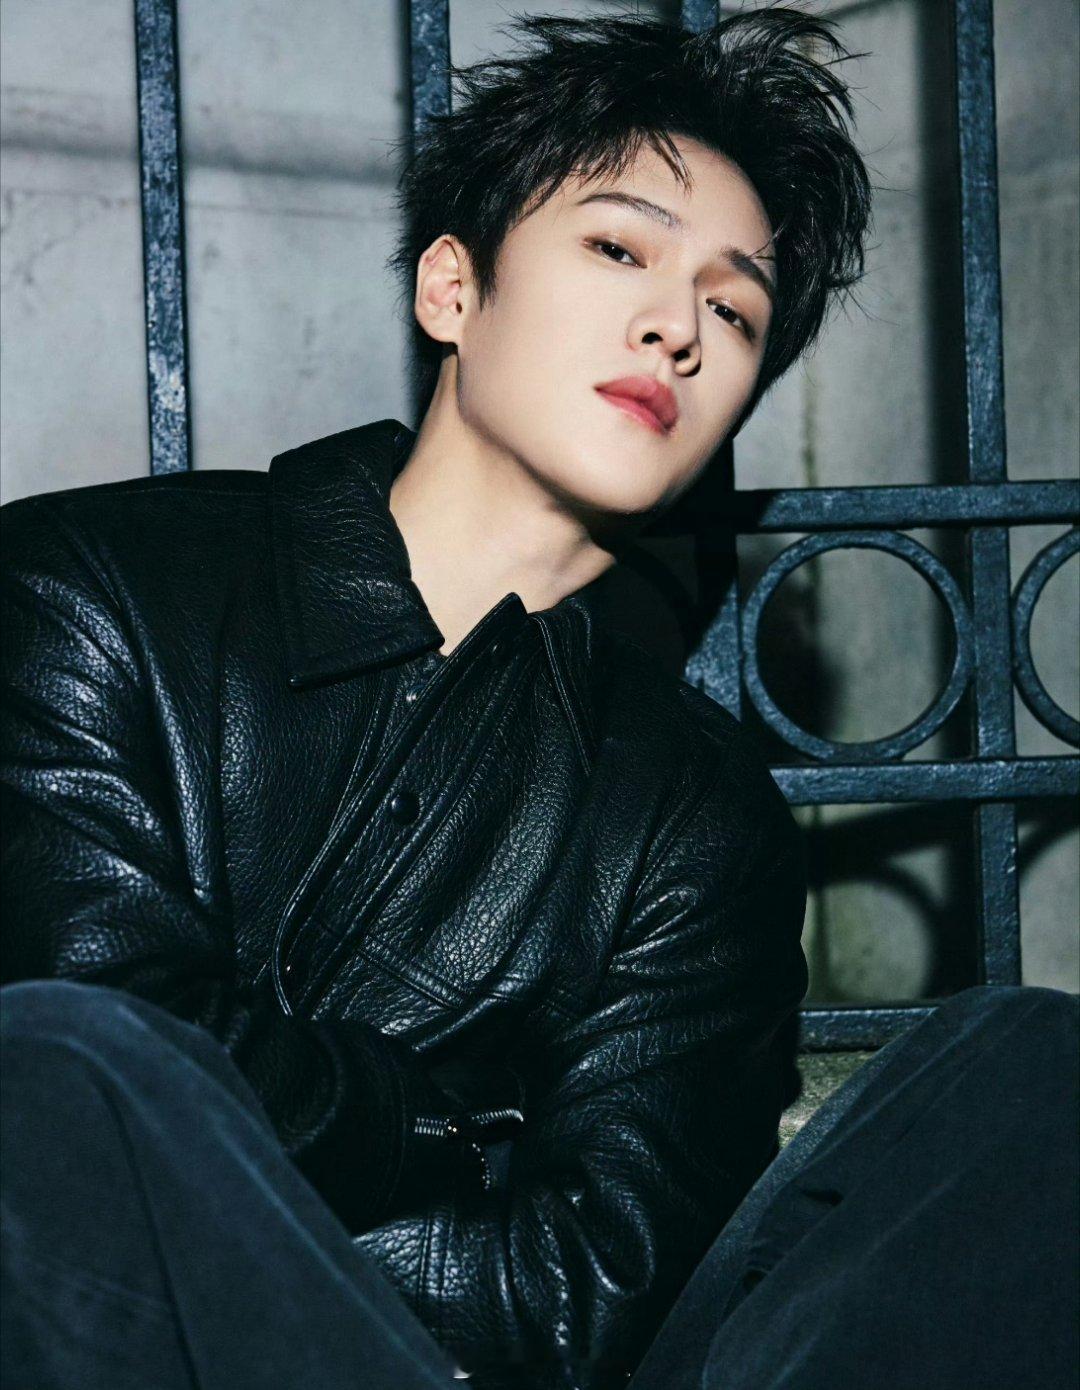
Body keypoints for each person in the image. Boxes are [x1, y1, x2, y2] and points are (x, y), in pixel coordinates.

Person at [2, 9, 1075, 1390]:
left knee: (1031, 1067)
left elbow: (583, 1301)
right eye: (621, 248)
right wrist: (444, 1131)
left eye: (734, 310)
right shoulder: (91, 589)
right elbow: (81, 1088)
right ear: (453, 289)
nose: (677, 326)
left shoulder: (696, 818)